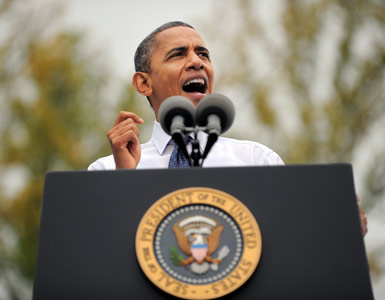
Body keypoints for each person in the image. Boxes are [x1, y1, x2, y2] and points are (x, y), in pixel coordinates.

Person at [88, 21, 367, 236]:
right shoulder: (107, 171)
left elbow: (294, 241)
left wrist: (341, 229)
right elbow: (100, 258)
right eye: (178, 55)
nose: (197, 62)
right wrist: (124, 181)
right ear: (143, 84)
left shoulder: (256, 161)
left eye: (203, 54)